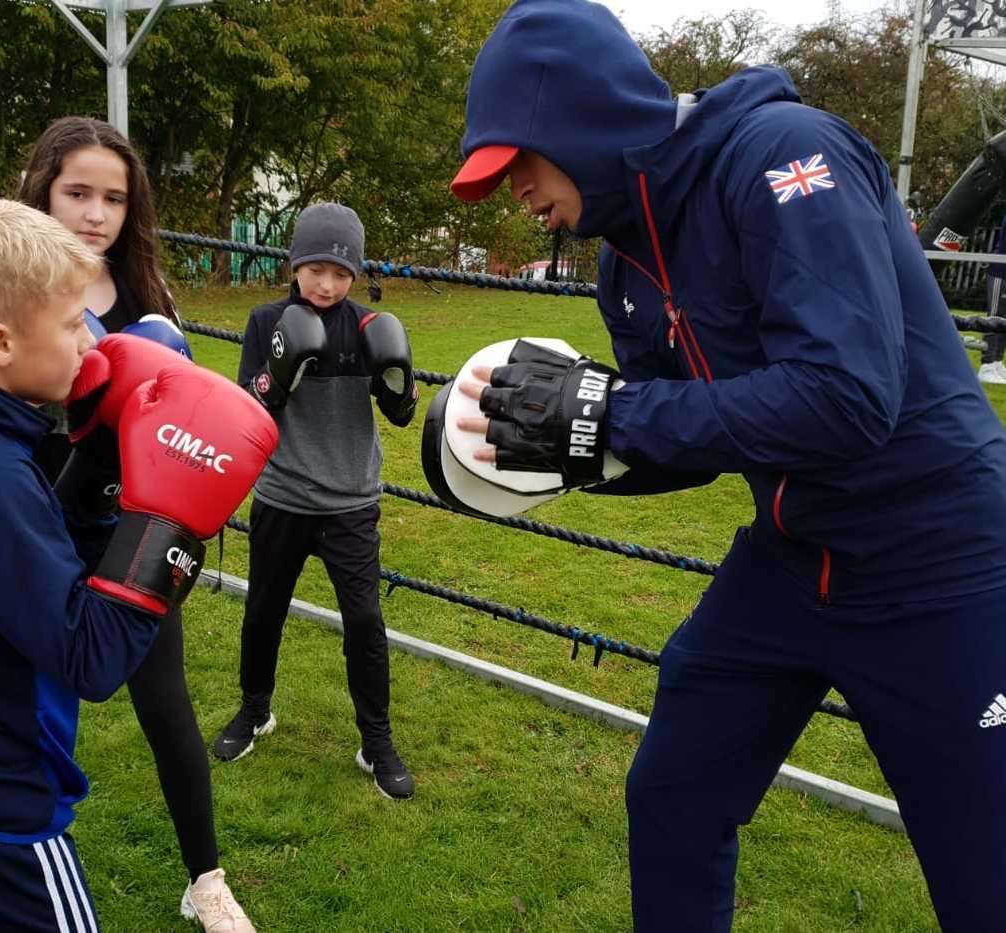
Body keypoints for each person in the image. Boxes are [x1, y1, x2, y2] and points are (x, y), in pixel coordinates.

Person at [446, 1, 1006, 929]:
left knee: (983, 873)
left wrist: (612, 414)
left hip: (938, 558)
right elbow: (692, 443)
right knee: (673, 794)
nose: (513, 193)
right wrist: (573, 451)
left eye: (517, 164)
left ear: (573, 119)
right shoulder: (622, 261)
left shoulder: (783, 155)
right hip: (792, 558)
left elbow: (846, 398)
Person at [0, 192, 273, 931]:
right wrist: (169, 519)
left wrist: (90, 471)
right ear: (0, 343)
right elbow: (92, 654)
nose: (88, 339)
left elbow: (5, 570)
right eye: (67, 321)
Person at [16, 116, 256, 931]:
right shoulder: (13, 292)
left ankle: (205, 878)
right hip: (40, 524)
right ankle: (28, 852)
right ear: (43, 192)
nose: (95, 214)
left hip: (140, 527)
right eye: (77, 192)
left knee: (167, 705)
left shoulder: (149, 301)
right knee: (38, 703)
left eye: (113, 197)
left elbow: (190, 423)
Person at [210, 203, 420, 801]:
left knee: (364, 620)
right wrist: (280, 370)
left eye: (340, 272)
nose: (326, 285)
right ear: (295, 264)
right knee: (264, 611)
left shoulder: (370, 326)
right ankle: (254, 709)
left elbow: (400, 415)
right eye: (315, 269)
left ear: (355, 274)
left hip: (351, 501)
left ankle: (375, 740)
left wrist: (397, 381)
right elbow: (249, 406)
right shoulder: (263, 320)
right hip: (282, 494)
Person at [978, 210, 1006, 384]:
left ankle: (996, 362)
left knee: (1004, 321)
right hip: (1000, 273)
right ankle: (986, 365)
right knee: (995, 317)